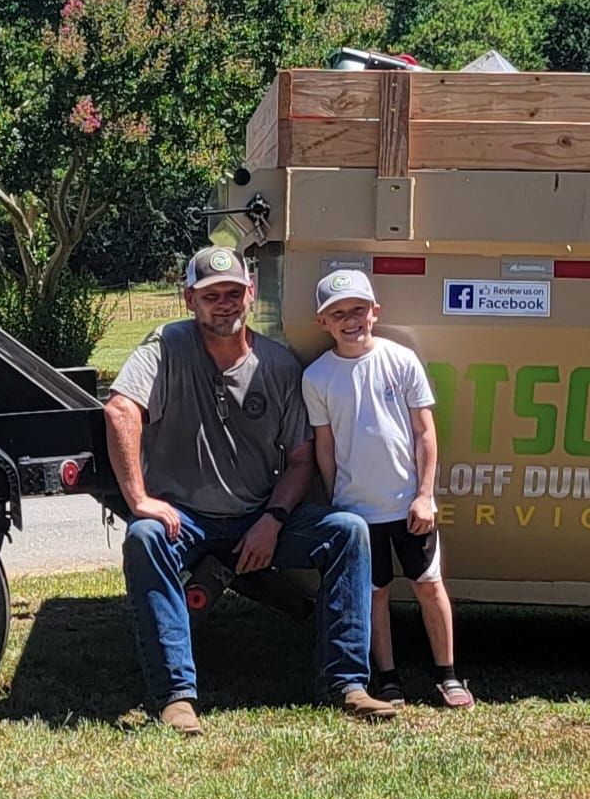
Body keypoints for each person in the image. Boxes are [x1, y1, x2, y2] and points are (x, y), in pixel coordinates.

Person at [104, 246, 397, 735]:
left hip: (259, 518)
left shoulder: (279, 366)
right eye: (211, 295)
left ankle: (348, 684)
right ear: (188, 300)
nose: (224, 303)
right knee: (144, 538)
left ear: (251, 294)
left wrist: (273, 518)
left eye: (234, 293)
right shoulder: (166, 346)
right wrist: (139, 500)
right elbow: (119, 410)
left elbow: (301, 458)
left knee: (348, 532)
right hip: (185, 519)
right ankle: (175, 697)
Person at [301, 269, 475, 710]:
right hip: (357, 514)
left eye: (358, 309)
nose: (350, 320)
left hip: (408, 506)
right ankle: (388, 678)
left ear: (375, 312)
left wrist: (425, 494)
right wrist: (335, 499)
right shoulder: (317, 377)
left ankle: (449, 677)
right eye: (338, 313)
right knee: (374, 594)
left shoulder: (401, 360)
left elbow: (425, 434)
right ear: (323, 322)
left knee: (429, 586)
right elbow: (325, 445)